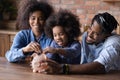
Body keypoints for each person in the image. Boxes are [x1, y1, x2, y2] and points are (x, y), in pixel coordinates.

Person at [39, 12, 120, 74]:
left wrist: (63, 68)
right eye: (90, 28)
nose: (90, 34)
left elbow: (99, 66)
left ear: (107, 35)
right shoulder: (86, 36)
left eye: (96, 33)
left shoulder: (114, 42)